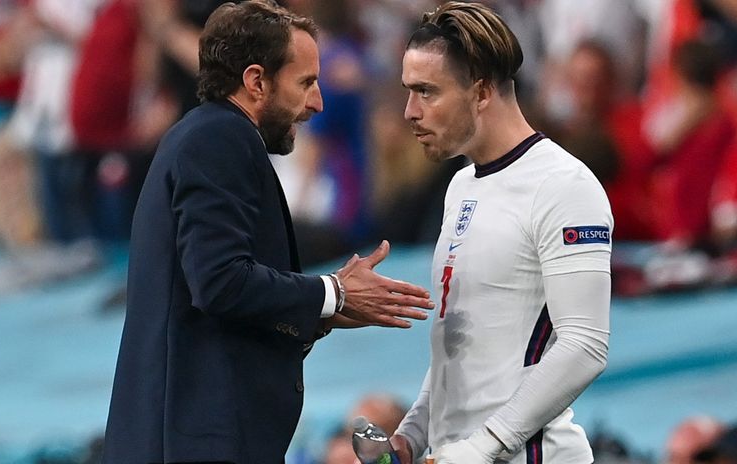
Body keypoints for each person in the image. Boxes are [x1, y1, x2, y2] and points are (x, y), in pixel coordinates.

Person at [101, 2, 434, 463]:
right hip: (192, 443)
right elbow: (219, 281)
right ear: (257, 81)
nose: (316, 102)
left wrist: (320, 314)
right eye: (305, 83)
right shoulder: (220, 139)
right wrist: (332, 291)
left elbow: (219, 298)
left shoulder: (210, 136)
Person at [388, 2, 613, 463]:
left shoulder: (563, 184)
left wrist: (484, 447)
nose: (410, 111)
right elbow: (461, 343)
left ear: (482, 91)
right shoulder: (460, 185)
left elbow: (585, 345)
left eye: (427, 92)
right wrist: (412, 435)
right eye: (409, 91)